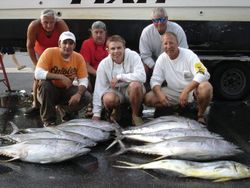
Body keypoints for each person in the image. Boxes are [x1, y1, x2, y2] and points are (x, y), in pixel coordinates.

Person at [144, 32, 213, 124]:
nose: (168, 46)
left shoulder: (189, 54)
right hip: (174, 91)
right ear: (162, 45)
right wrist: (160, 94)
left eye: (171, 43)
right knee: (149, 98)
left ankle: (200, 115)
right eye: (165, 43)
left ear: (177, 43)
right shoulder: (161, 59)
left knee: (206, 88)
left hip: (191, 92)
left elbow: (203, 73)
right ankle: (176, 107)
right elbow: (155, 80)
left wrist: (186, 91)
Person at [34, 31, 92, 127]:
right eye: (65, 42)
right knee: (45, 85)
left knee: (86, 96)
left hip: (66, 90)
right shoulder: (49, 52)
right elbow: (37, 73)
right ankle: (49, 121)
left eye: (70, 43)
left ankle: (66, 111)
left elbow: (84, 79)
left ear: (74, 45)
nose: (67, 46)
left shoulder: (78, 57)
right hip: (50, 91)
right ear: (59, 44)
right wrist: (60, 77)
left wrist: (78, 94)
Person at [92, 35, 146, 126]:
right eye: (113, 48)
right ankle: (116, 111)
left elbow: (142, 76)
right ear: (108, 50)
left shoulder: (133, 56)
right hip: (115, 91)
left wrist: (119, 77)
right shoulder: (103, 64)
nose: (116, 51)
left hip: (131, 89)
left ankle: (135, 116)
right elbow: (99, 88)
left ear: (124, 48)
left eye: (119, 48)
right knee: (108, 99)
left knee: (135, 85)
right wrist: (96, 113)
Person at [25, 9, 69, 115]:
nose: (49, 25)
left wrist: (65, 60)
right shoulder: (34, 25)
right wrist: (36, 64)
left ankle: (60, 104)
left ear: (55, 21)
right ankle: (36, 103)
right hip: (40, 51)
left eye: (51, 22)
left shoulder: (61, 24)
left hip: (57, 51)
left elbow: (68, 43)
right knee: (37, 77)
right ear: (41, 21)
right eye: (45, 22)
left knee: (59, 74)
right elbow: (30, 47)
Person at [139, 7, 188, 78]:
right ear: (152, 21)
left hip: (173, 59)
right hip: (154, 62)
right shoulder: (146, 32)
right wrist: (157, 67)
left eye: (162, 19)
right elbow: (145, 56)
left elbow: (184, 51)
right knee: (143, 66)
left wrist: (173, 66)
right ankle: (143, 86)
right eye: (156, 20)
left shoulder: (177, 29)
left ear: (167, 18)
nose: (159, 23)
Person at [79, 21, 108, 118]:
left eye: (101, 32)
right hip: (93, 74)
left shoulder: (110, 43)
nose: (99, 35)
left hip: (107, 74)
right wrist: (98, 74)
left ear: (105, 33)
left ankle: (108, 106)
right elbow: (84, 65)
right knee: (85, 78)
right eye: (96, 32)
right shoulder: (86, 43)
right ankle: (90, 103)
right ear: (91, 33)